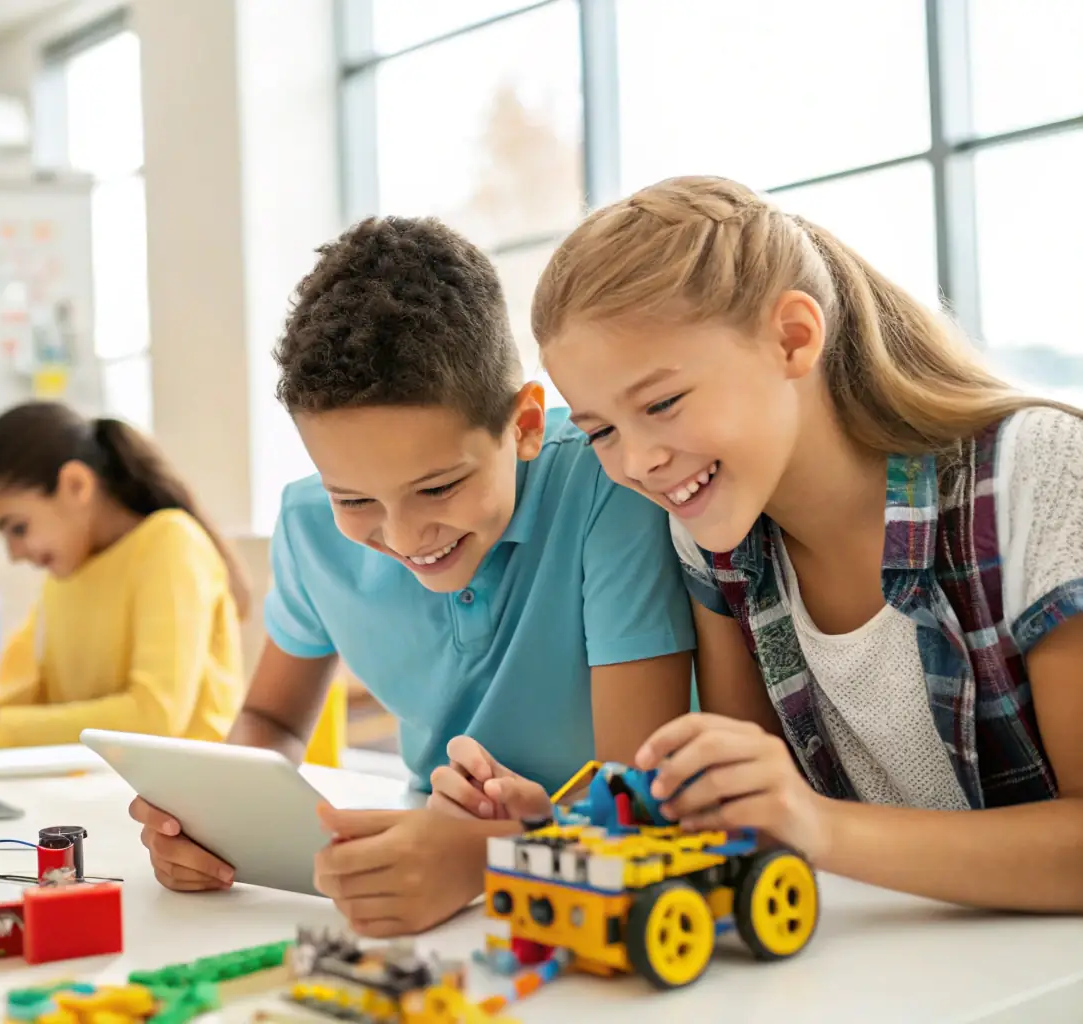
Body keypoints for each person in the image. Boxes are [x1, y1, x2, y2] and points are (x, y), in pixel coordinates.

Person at [431, 175, 1083, 913]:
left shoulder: (1034, 471)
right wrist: (558, 832)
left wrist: (818, 826)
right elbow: (743, 818)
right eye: (602, 430)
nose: (637, 462)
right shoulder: (716, 545)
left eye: (662, 403)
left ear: (792, 338)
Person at [131, 216, 697, 935]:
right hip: (438, 867)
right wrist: (216, 817)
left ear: (524, 425)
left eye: (437, 487)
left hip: (614, 885)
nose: (402, 536)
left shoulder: (606, 484)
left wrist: (483, 858)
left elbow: (637, 794)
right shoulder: (307, 526)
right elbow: (271, 719)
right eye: (353, 498)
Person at [0, 401, 249, 754]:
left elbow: (155, 718)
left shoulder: (170, 542)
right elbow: (26, 698)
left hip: (186, 798)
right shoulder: (65, 573)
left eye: (18, 527)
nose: (14, 554)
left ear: (76, 485)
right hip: (101, 788)